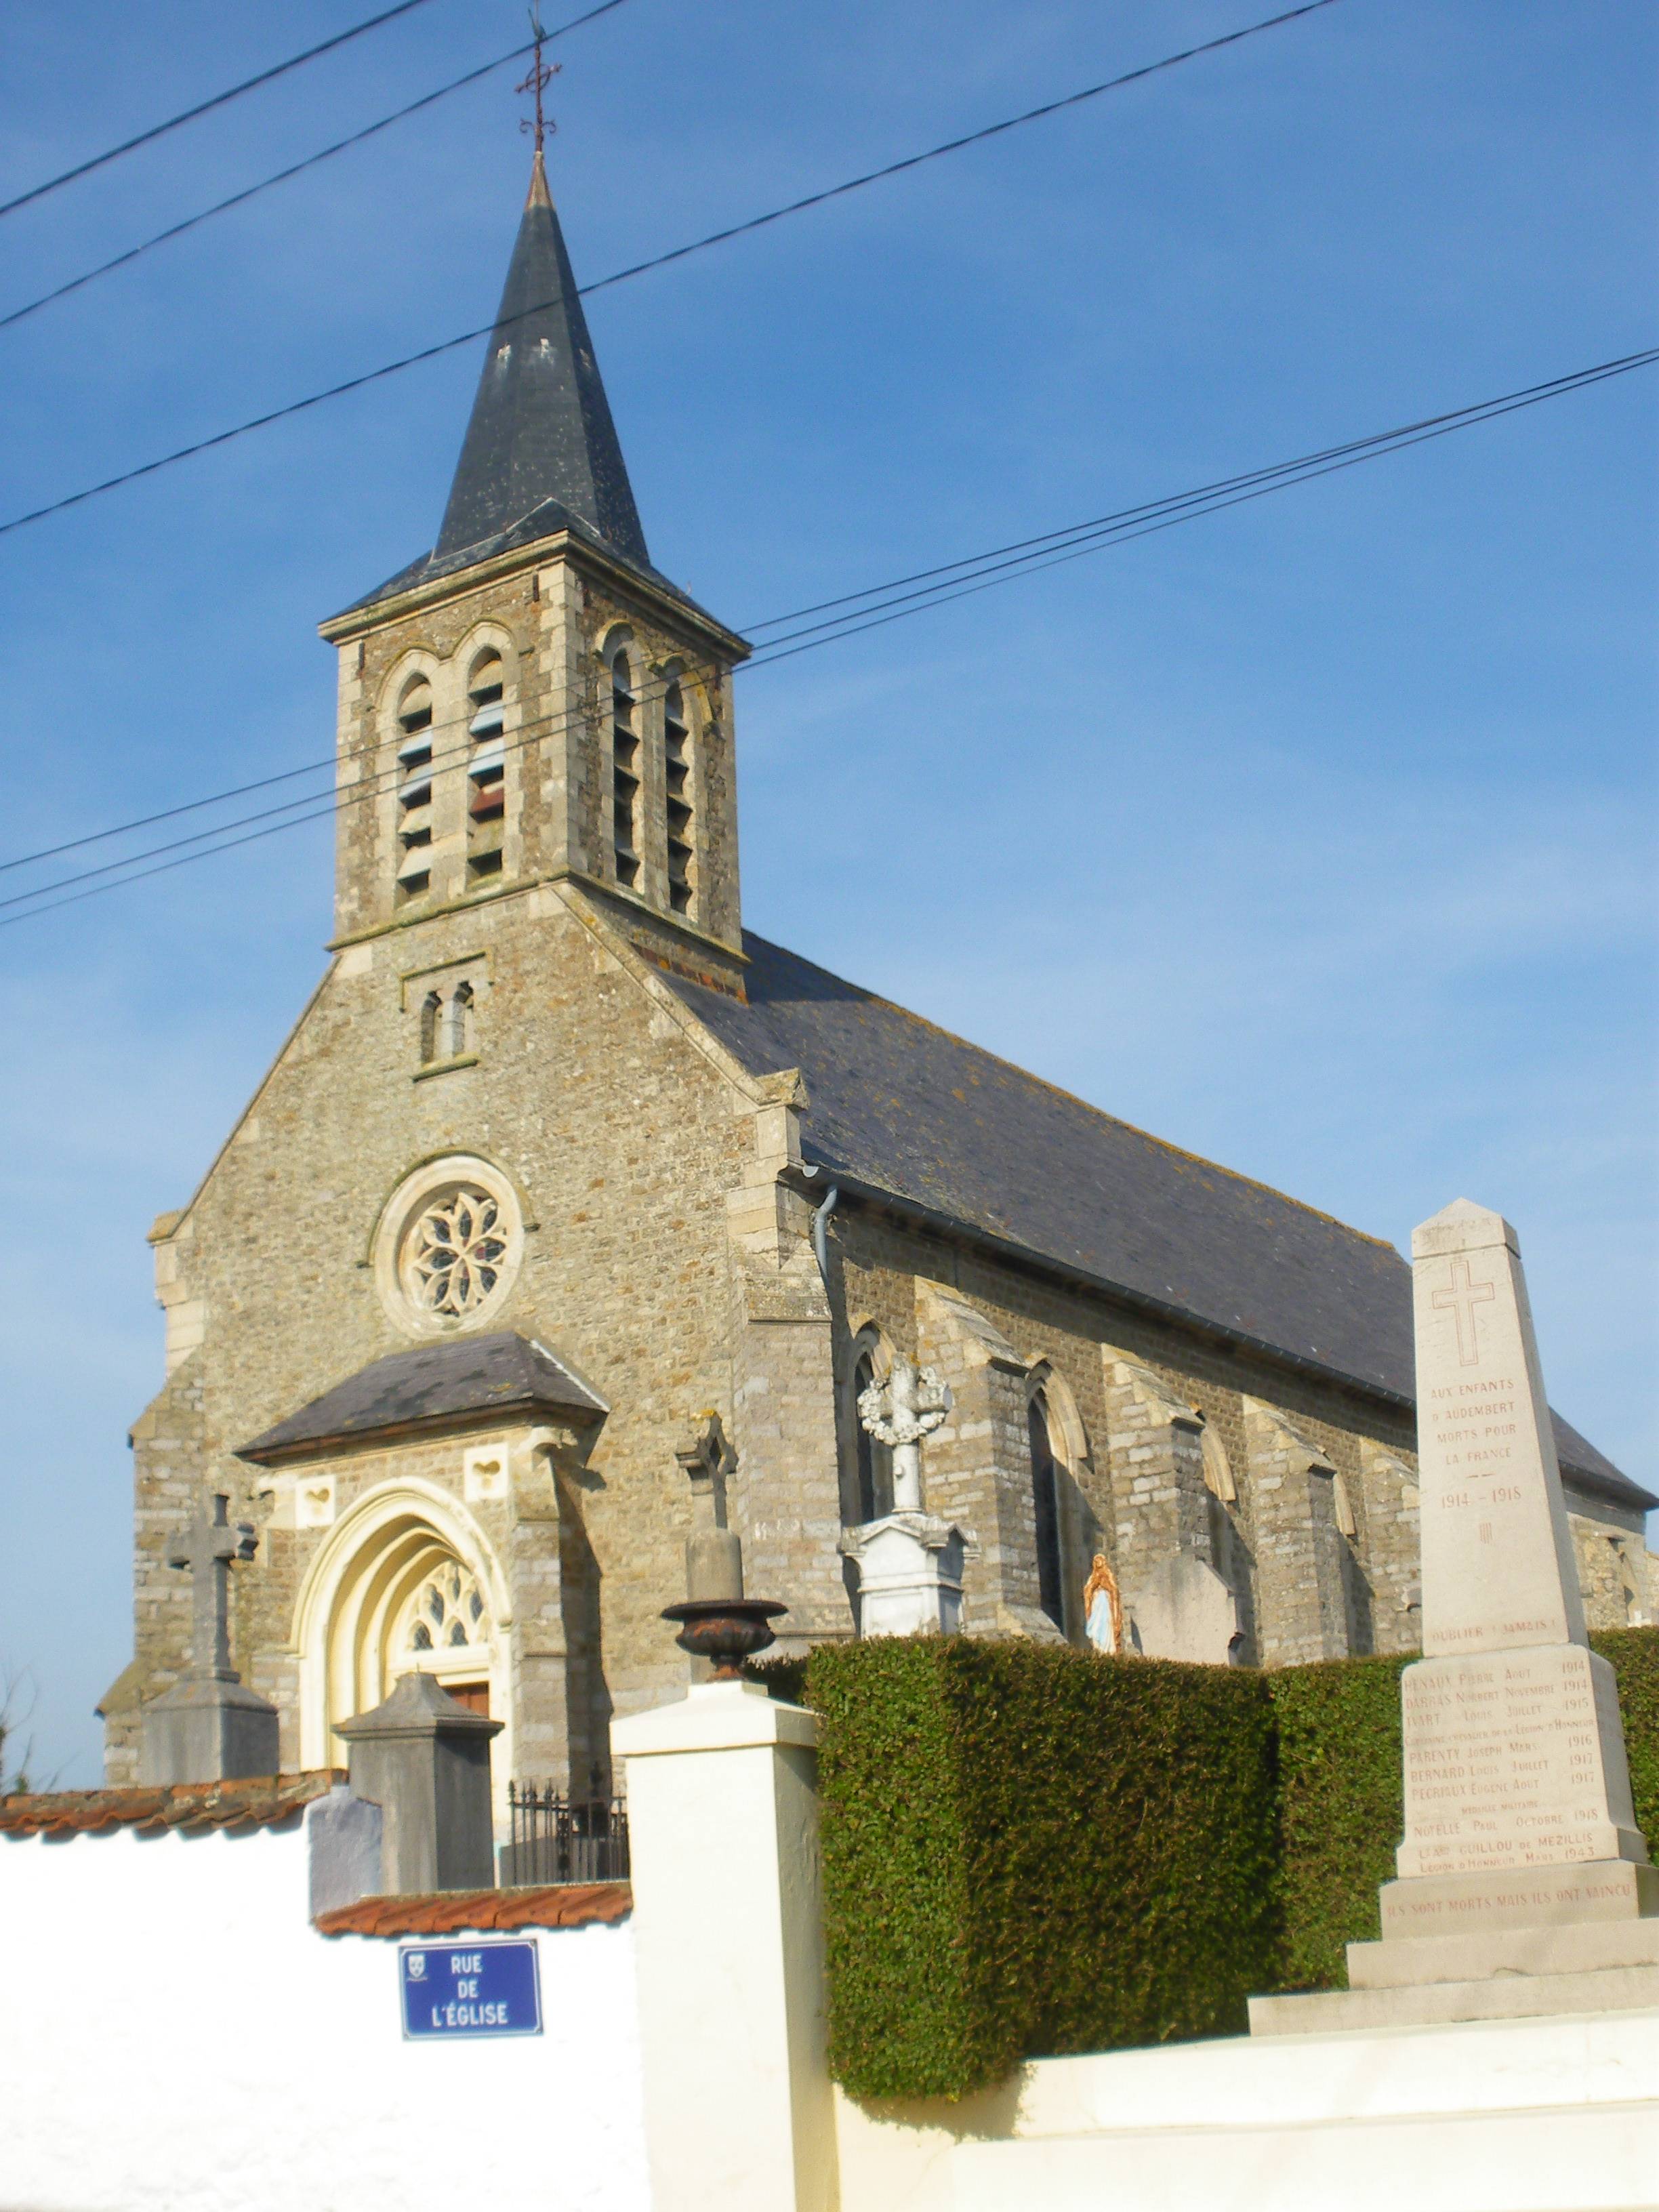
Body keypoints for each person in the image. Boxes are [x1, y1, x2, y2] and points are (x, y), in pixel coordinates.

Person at [1082, 1552, 1123, 1654]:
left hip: (1106, 1610)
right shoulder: (1092, 1577)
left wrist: (1105, 1586)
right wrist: (1094, 1587)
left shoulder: (1108, 1575)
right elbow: (1087, 1590)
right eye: (1095, 1561)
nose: (1097, 1562)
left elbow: (1114, 1590)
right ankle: (1099, 1650)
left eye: (1099, 1560)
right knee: (1096, 1630)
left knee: (1107, 1629)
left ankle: (1108, 1650)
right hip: (1096, 1610)